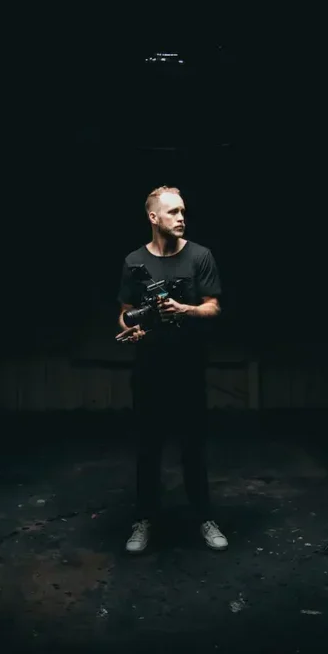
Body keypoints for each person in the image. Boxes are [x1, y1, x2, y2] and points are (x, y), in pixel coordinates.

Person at [115, 186, 228, 554]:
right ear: (153, 218)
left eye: (183, 212)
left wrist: (187, 310)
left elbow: (214, 307)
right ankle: (144, 519)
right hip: (149, 369)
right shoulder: (134, 260)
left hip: (188, 368)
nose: (181, 218)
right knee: (148, 448)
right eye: (173, 212)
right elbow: (125, 309)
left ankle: (204, 517)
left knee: (193, 448)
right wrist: (129, 327)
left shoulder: (200, 256)